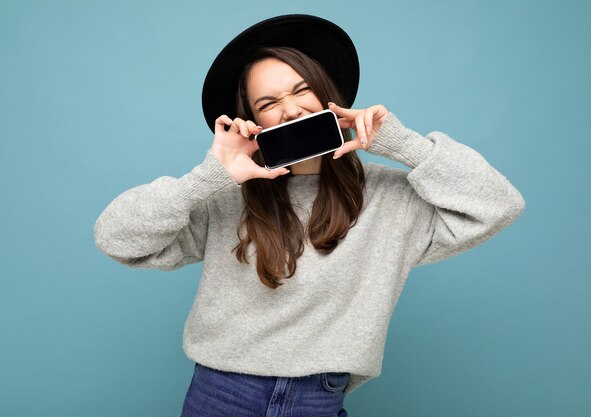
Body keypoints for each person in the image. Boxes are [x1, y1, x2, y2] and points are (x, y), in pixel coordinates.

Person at [94, 14, 525, 417]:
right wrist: (209, 176)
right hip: (221, 394)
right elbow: (116, 238)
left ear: (327, 94)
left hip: (318, 398)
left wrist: (402, 144)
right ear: (253, 121)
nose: (291, 109)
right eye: (269, 102)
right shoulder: (225, 197)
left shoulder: (391, 200)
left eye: (301, 91)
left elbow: (499, 204)